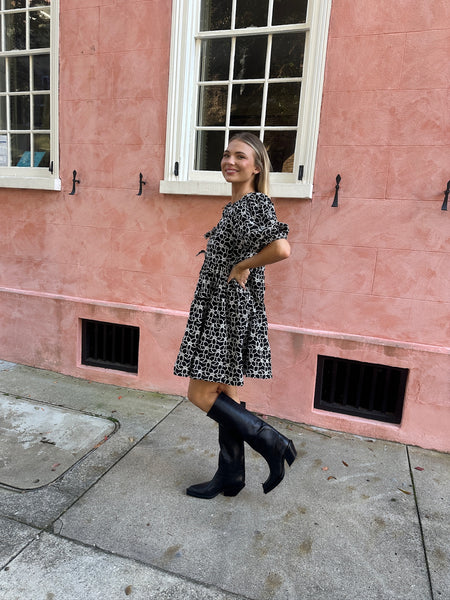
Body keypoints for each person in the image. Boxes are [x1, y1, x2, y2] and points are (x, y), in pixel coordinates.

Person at [174, 132, 296, 499]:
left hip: (226, 309)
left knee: (200, 393)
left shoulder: (250, 205)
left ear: (256, 167)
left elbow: (281, 248)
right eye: (226, 154)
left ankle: (272, 441)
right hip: (225, 305)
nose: (229, 161)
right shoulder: (240, 206)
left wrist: (243, 265)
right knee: (225, 391)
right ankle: (231, 474)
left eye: (240, 156)